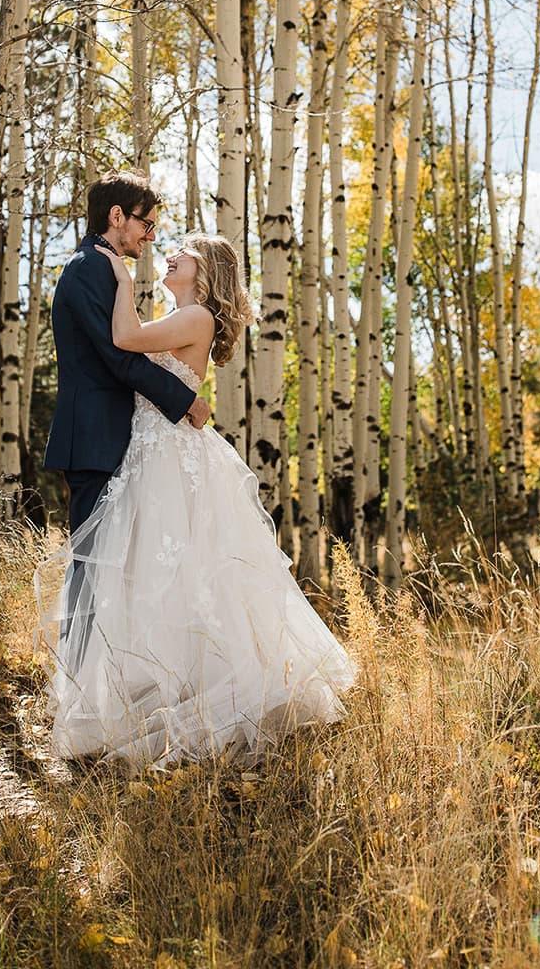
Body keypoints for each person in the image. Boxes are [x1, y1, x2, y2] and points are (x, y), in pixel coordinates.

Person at [35, 228, 356, 767]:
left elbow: (123, 339)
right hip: (150, 450)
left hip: (166, 456)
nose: (169, 257)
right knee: (156, 574)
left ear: (204, 270)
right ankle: (151, 687)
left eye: (180, 253)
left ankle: (188, 691)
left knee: (177, 572)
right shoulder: (182, 316)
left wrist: (119, 277)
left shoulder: (197, 316)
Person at [42, 172, 211, 545]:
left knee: (111, 571)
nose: (150, 236)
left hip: (109, 439)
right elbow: (119, 357)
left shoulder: (100, 267)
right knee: (93, 567)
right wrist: (186, 401)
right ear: (117, 216)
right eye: (146, 224)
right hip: (94, 439)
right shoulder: (90, 268)